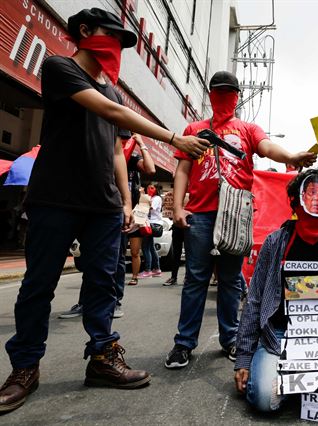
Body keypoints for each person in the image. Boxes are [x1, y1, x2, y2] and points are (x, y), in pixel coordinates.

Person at [0, 8, 210, 414]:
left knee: (102, 285)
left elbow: (116, 149)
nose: (116, 46)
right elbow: (111, 113)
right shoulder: (60, 68)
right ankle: (24, 367)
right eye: (111, 36)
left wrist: (126, 200)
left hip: (103, 205)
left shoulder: (112, 89)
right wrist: (174, 138)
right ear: (84, 31)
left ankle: (102, 357)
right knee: (38, 285)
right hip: (55, 198)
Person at [164, 70, 316, 369]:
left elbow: (268, 148)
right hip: (202, 213)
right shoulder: (194, 128)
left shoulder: (248, 129)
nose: (224, 97)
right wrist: (179, 207)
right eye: (218, 91)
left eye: (228, 92)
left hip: (236, 212)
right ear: (210, 95)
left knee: (231, 280)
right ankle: (184, 343)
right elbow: (182, 169)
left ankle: (230, 338)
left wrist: (291, 156)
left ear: (237, 96)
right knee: (196, 278)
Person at [234, 169, 318, 412]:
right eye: (310, 193)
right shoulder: (276, 242)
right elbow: (254, 300)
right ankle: (300, 382)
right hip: (279, 337)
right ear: (296, 201)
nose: (317, 199)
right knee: (264, 399)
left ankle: (296, 385)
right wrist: (244, 357)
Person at [59, 134, 155, 318]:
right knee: (90, 257)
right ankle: (84, 302)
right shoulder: (99, 153)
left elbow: (150, 168)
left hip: (118, 213)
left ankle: (114, 302)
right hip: (94, 208)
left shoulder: (131, 159)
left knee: (116, 259)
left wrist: (142, 144)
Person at [139, 184, 162, 279]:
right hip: (149, 224)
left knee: (145, 247)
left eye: (152, 188)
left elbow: (150, 207)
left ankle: (148, 270)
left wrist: (143, 196)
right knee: (151, 247)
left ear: (156, 189)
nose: (150, 189)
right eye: (148, 187)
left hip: (152, 224)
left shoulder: (156, 198)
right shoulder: (150, 197)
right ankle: (156, 269)